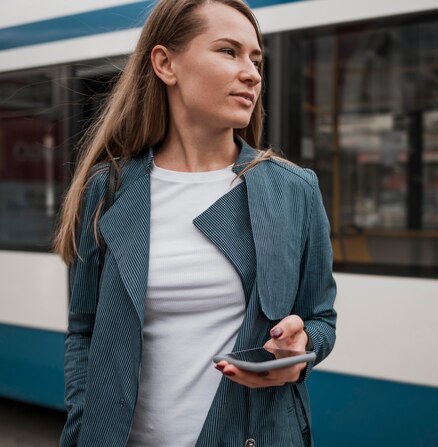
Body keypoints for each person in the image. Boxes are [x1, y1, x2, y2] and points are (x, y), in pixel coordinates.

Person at [54, 0, 337, 445]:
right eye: (229, 51)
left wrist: (299, 351)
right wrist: (78, 431)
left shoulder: (294, 190)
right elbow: (84, 332)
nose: (252, 73)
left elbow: (321, 318)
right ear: (166, 63)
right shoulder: (107, 191)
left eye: (256, 59)